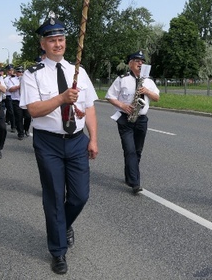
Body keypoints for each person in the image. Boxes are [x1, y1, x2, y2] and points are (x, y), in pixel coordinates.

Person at [19, 14, 98, 275]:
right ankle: (58, 251)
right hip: (49, 143)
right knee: (54, 198)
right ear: (43, 44)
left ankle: (62, 225)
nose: (58, 44)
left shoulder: (79, 72)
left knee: (79, 196)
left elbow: (89, 107)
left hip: (76, 141)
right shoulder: (32, 75)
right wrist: (62, 98)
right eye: (52, 40)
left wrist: (93, 138)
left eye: (61, 39)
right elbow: (33, 110)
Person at [105, 50, 160, 194]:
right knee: (129, 150)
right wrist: (123, 106)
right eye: (137, 61)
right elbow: (110, 96)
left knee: (137, 151)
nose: (140, 63)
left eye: (142, 61)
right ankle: (135, 183)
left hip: (141, 119)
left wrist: (147, 91)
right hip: (125, 119)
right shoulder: (122, 79)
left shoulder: (148, 80)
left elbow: (157, 97)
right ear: (130, 64)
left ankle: (130, 176)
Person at [3, 64, 16, 133]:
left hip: (16, 97)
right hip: (9, 96)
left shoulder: (16, 77)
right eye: (9, 70)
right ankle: (13, 126)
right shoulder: (6, 79)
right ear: (7, 71)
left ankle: (15, 124)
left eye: (12, 70)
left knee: (16, 111)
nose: (11, 72)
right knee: (11, 111)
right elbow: (7, 88)